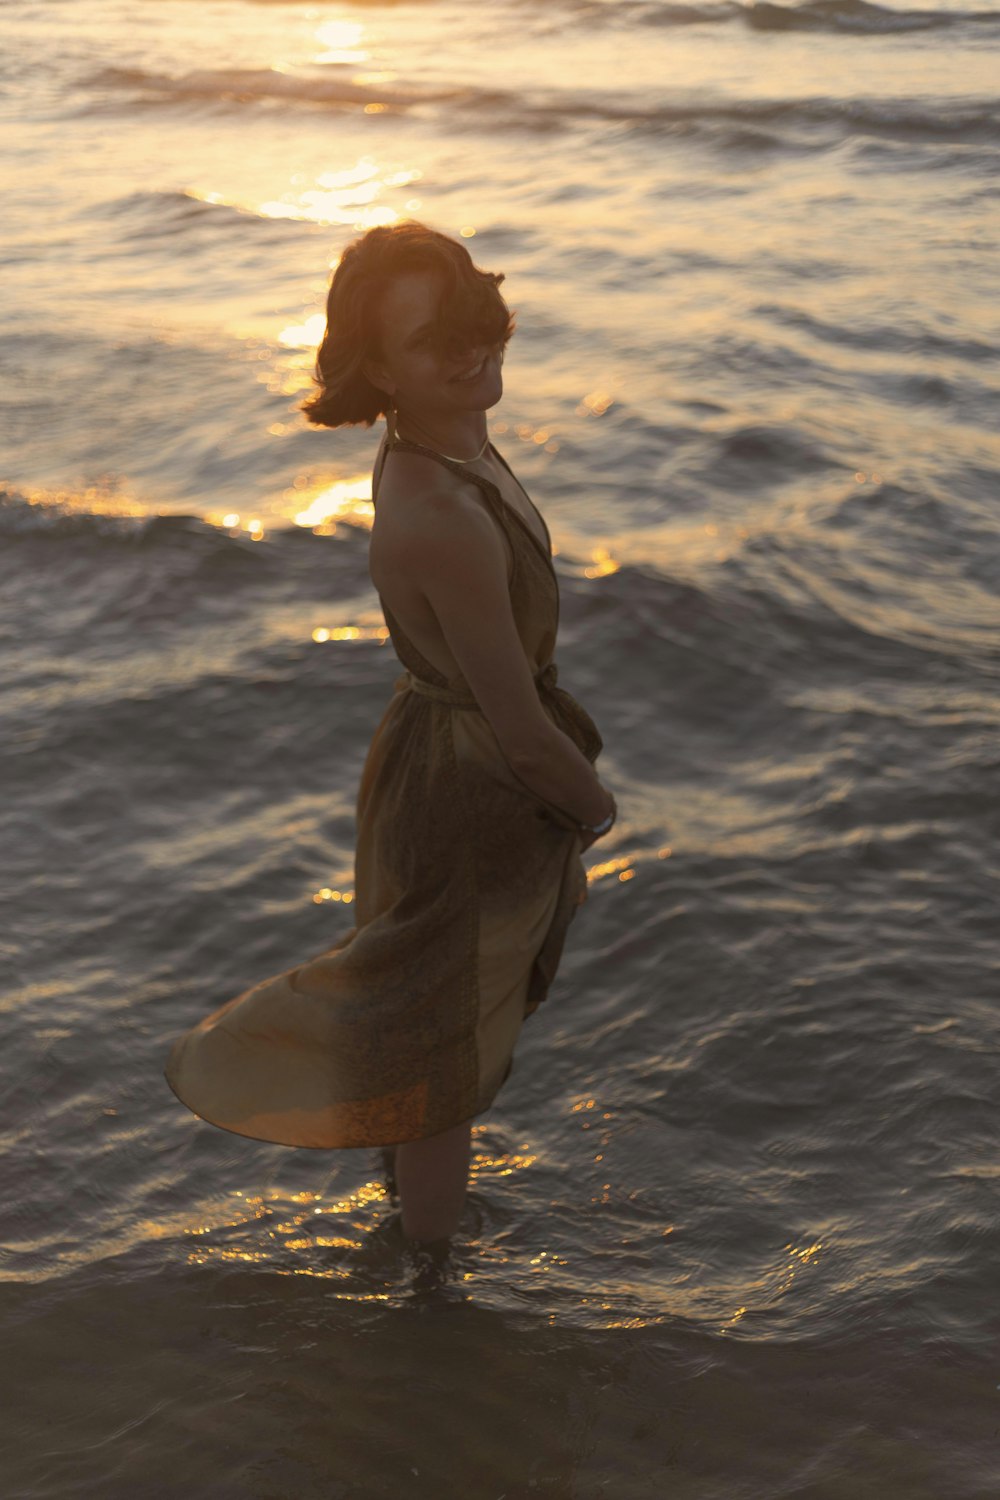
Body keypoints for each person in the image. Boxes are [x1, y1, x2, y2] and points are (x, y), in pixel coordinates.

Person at [163, 220, 616, 1265]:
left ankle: (413, 1238)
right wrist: (593, 809)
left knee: (428, 1026)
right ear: (375, 370)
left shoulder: (447, 444)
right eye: (430, 343)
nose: (467, 353)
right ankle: (427, 1289)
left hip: (442, 758)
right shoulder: (439, 513)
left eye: (470, 323)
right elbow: (516, 729)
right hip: (469, 785)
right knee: (438, 1052)